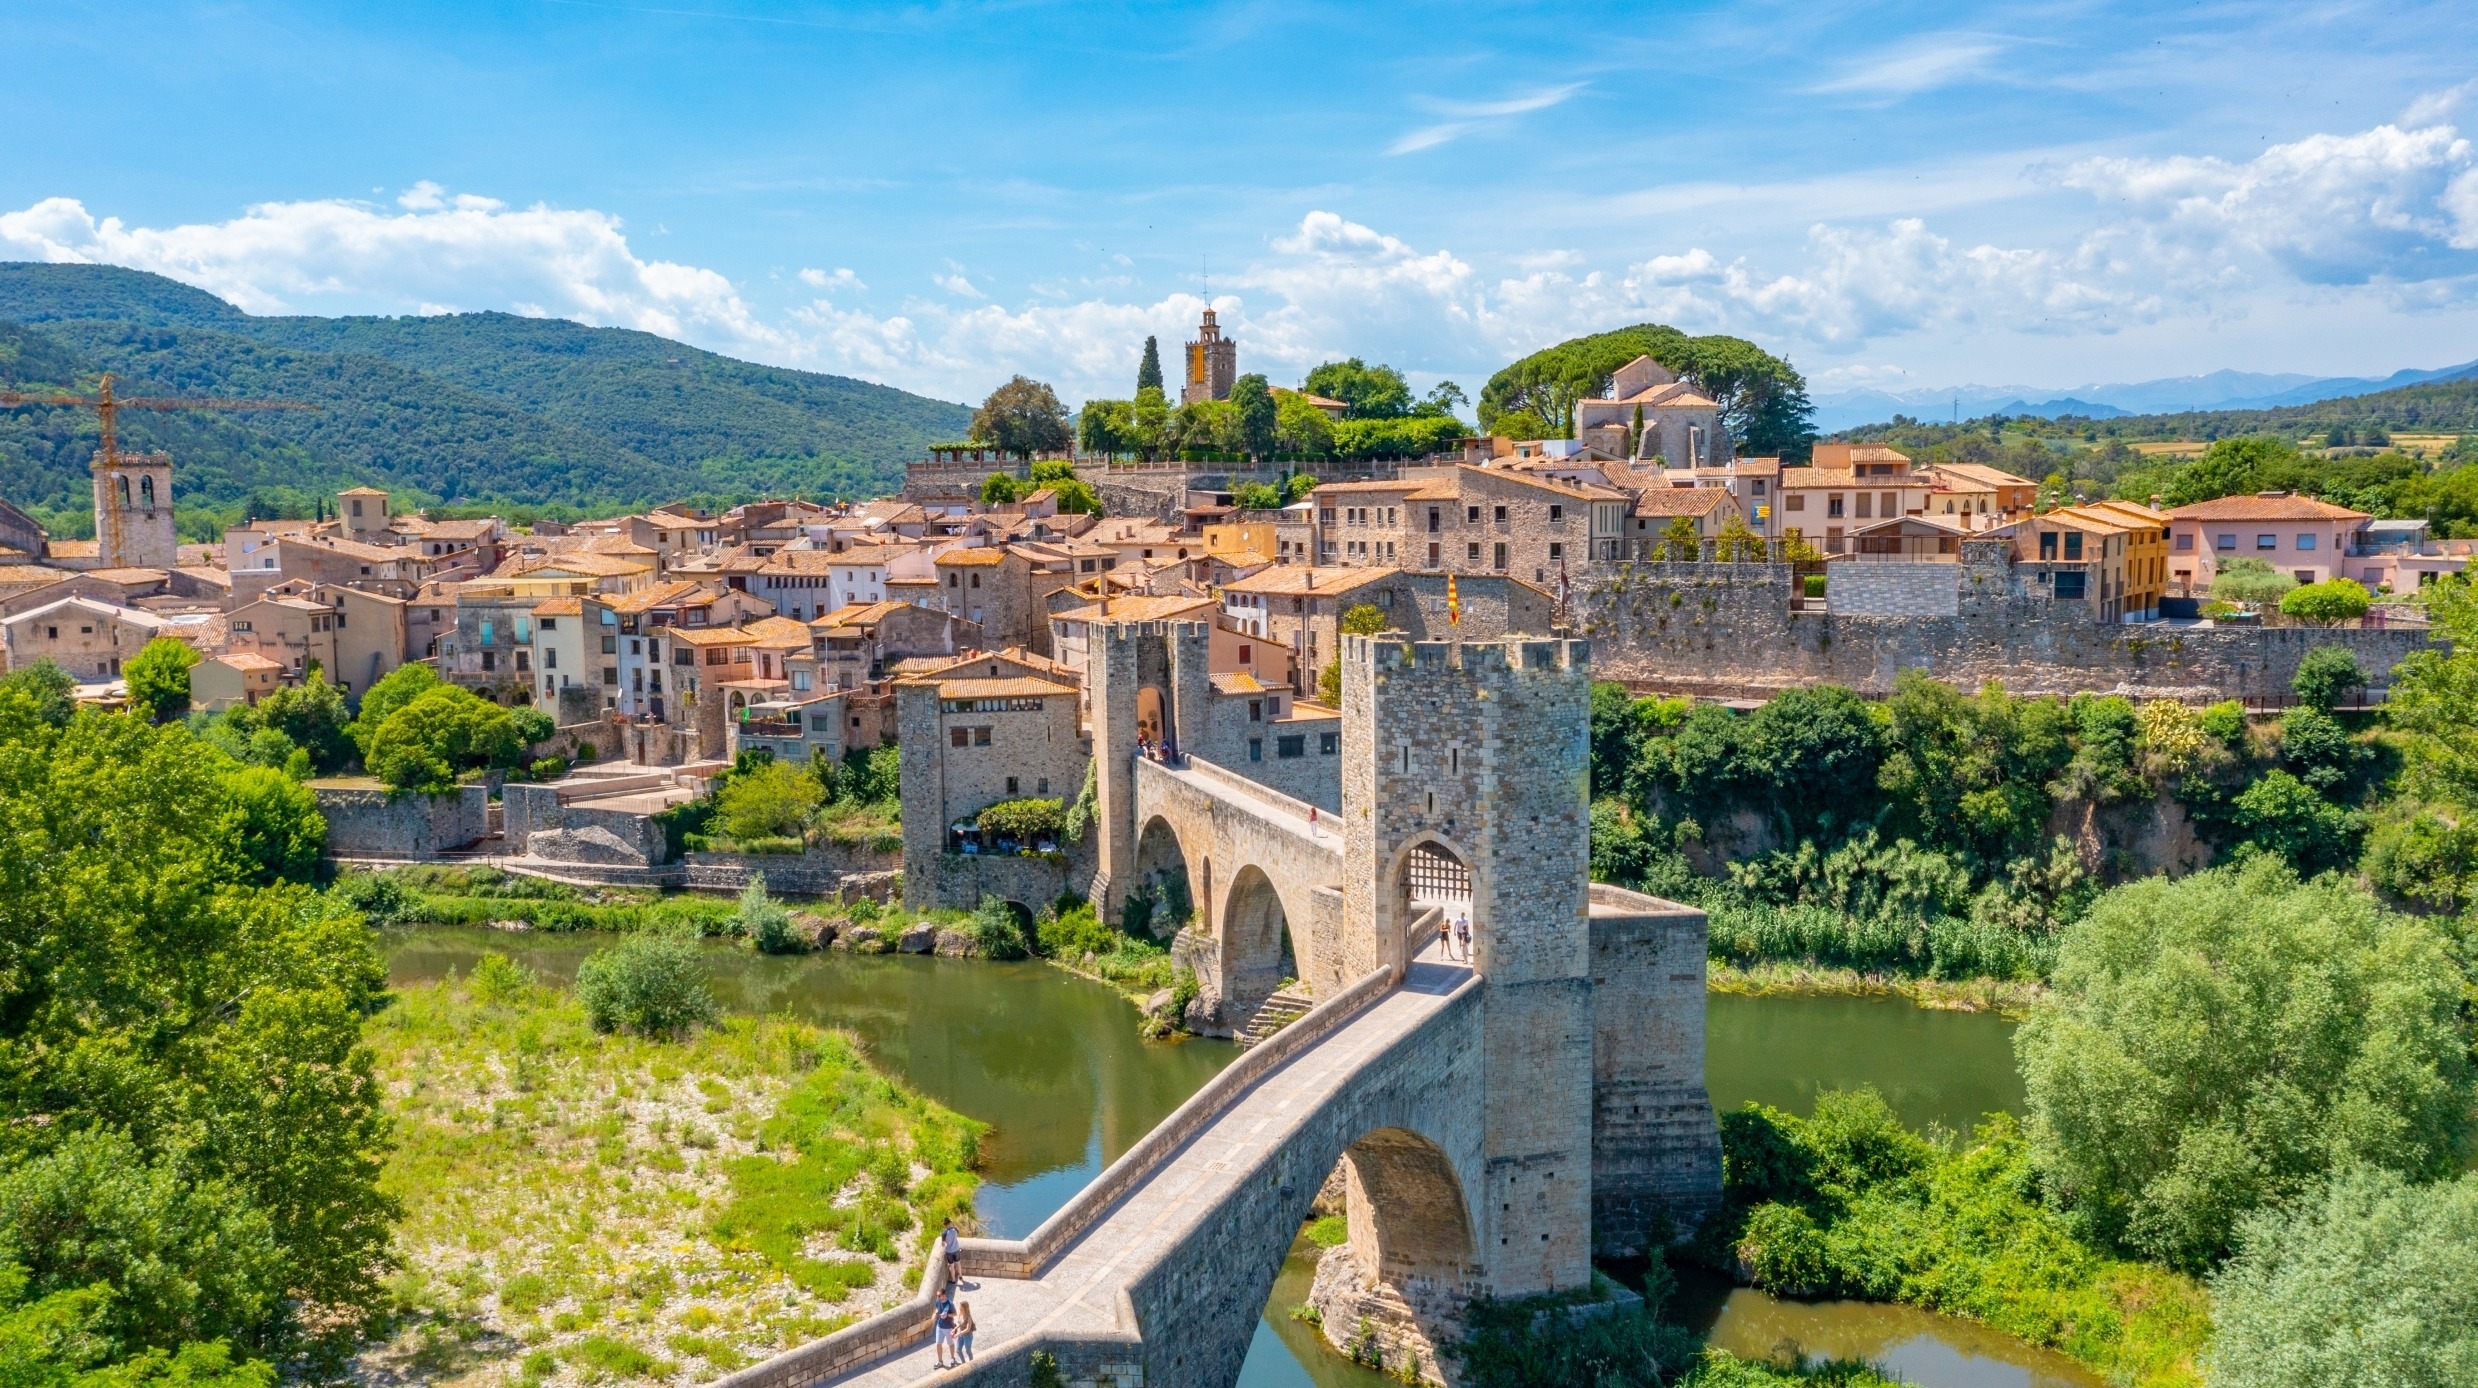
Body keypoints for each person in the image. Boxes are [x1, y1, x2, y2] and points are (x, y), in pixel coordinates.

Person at [932, 1293, 957, 1369]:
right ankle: (940, 1361)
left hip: (948, 1327)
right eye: (937, 1295)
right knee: (938, 1344)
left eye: (939, 1296)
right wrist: (936, 1313)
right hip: (940, 1326)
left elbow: (955, 1313)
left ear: (944, 1295)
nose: (937, 1297)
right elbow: (937, 1308)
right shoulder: (938, 1301)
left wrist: (948, 1315)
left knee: (950, 1343)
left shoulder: (950, 1304)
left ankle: (952, 1358)